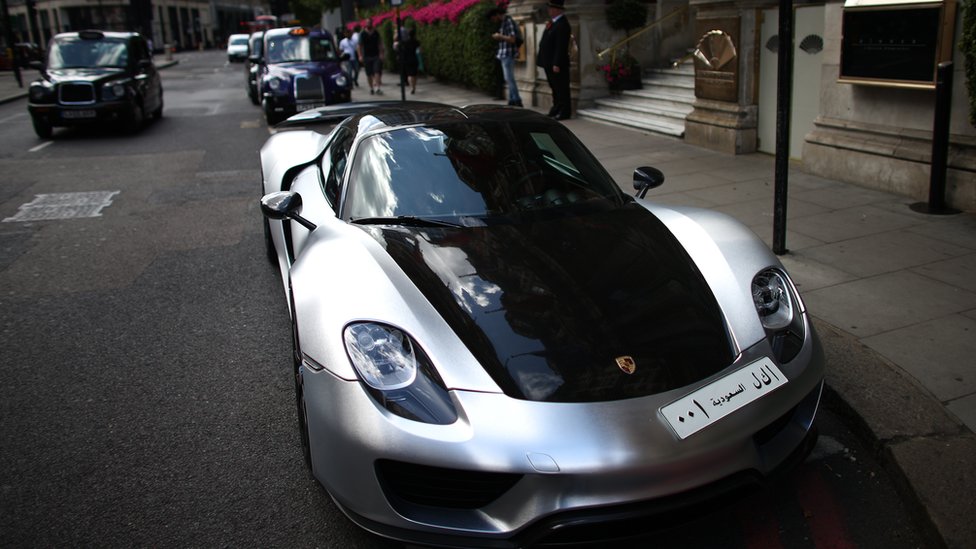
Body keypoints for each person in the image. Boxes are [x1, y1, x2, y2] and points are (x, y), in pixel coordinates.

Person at [536, 0, 571, 119]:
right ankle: (556, 108)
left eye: (551, 8)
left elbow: (560, 46)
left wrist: (556, 63)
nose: (549, 10)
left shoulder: (562, 24)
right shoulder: (553, 23)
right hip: (549, 62)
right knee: (555, 88)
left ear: (558, 10)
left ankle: (564, 111)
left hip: (556, 64)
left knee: (561, 88)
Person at [489, 6, 523, 107]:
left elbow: (512, 39)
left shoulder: (508, 21)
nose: (494, 20)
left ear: (497, 15)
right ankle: (512, 100)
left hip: (508, 54)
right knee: (508, 78)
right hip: (504, 54)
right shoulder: (504, 22)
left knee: (509, 78)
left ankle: (517, 100)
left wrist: (500, 36)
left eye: (493, 18)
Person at [358, 22, 384, 95]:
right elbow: (359, 46)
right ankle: (371, 88)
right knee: (369, 74)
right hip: (366, 56)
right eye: (367, 23)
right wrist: (360, 55)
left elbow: (380, 43)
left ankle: (378, 87)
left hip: (376, 56)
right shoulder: (362, 34)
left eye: (370, 23)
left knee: (377, 71)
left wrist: (381, 53)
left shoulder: (376, 33)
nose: (368, 24)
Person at [395, 27, 420, 94]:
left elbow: (398, 47)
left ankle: (411, 87)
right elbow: (419, 51)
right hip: (414, 59)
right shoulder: (416, 42)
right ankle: (414, 86)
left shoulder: (405, 42)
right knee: (414, 74)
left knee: (409, 75)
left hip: (407, 60)